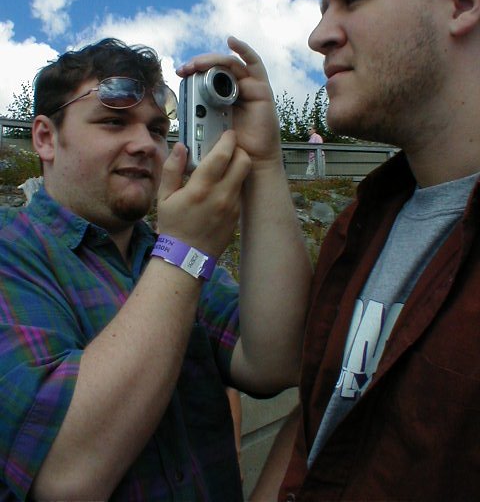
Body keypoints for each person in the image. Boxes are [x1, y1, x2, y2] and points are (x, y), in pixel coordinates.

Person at [0, 37, 312, 501]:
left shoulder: (163, 252)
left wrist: (264, 162)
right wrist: (183, 253)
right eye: (113, 121)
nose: (145, 144)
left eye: (157, 128)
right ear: (46, 138)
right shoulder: (13, 252)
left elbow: (276, 361)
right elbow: (66, 474)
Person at [274, 0, 479, 501]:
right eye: (323, 7)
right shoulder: (360, 224)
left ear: (463, 1)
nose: (319, 36)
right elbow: (316, 423)